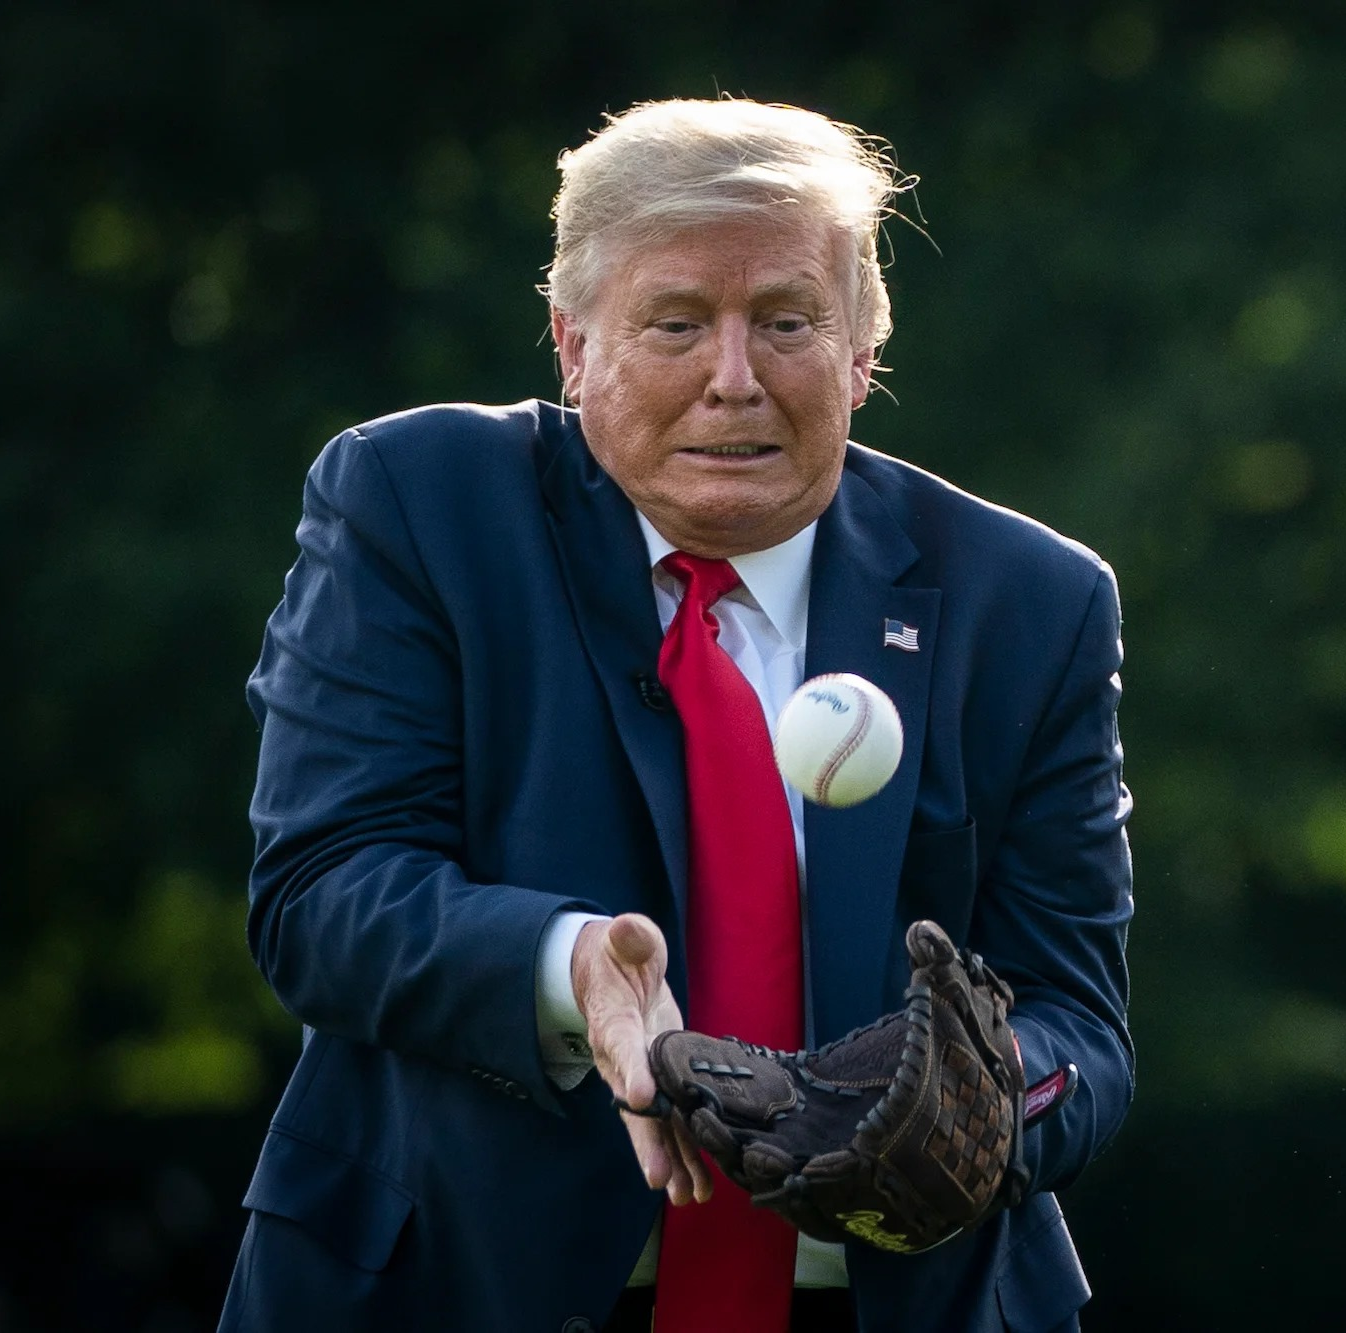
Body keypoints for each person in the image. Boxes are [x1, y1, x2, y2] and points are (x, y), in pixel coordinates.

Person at [218, 97, 1133, 1333]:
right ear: (571, 343)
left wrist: (979, 1106)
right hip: (456, 1287)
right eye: (676, 324)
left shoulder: (1029, 602)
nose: (733, 379)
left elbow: (1079, 1025)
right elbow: (321, 894)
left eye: (787, 321)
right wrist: (568, 963)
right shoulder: (419, 503)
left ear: (865, 344)